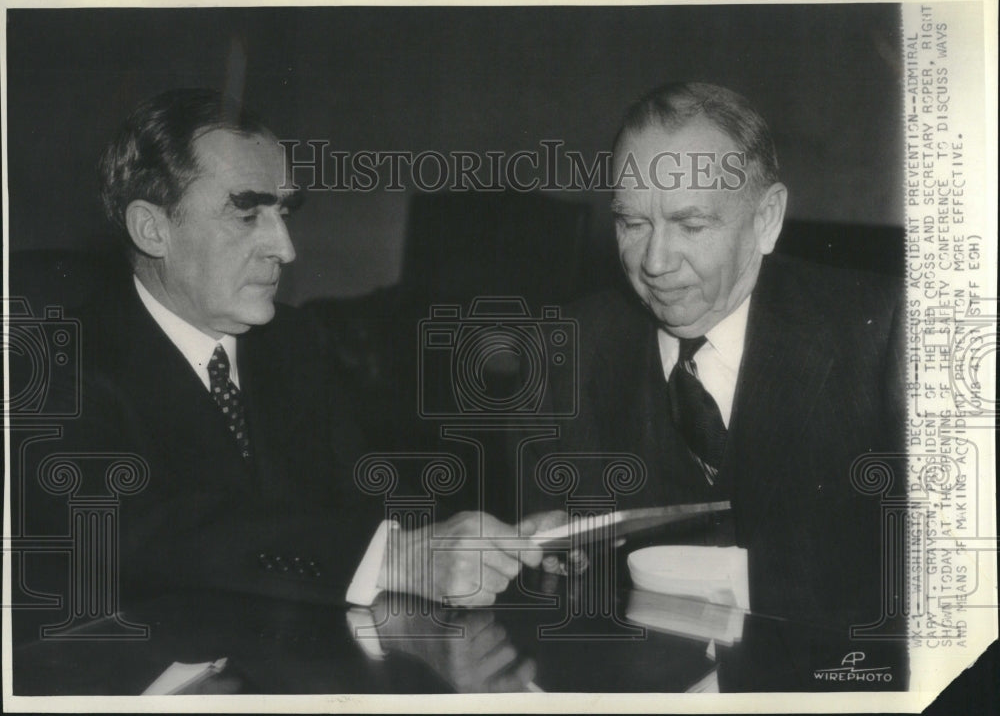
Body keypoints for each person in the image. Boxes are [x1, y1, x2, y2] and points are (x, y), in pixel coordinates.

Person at [48, 88, 543, 608]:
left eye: (283, 212)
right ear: (152, 229)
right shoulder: (59, 371)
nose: (286, 249)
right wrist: (398, 557)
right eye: (247, 215)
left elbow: (364, 499)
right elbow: (156, 538)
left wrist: (506, 544)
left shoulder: (292, 341)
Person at [524, 82, 906, 631]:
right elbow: (536, 599)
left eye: (691, 225)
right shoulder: (560, 353)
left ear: (766, 219)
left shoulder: (888, 334)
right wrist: (544, 562)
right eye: (632, 223)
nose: (654, 262)